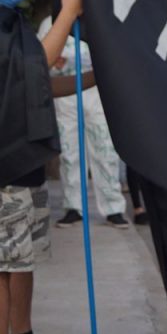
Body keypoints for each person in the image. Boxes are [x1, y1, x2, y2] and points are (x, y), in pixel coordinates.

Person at [0, 0, 82, 334]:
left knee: (21, 261)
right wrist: (66, 15)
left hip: (24, 166)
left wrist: (98, 81)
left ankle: (23, 330)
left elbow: (37, 84)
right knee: (2, 265)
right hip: (5, 166)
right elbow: (37, 66)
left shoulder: (15, 23)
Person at [38, 17, 129, 229]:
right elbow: (39, 59)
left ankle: (113, 208)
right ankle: (73, 207)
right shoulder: (50, 23)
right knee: (70, 152)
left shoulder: (97, 17)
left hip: (96, 94)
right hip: (64, 95)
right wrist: (56, 63)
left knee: (105, 149)